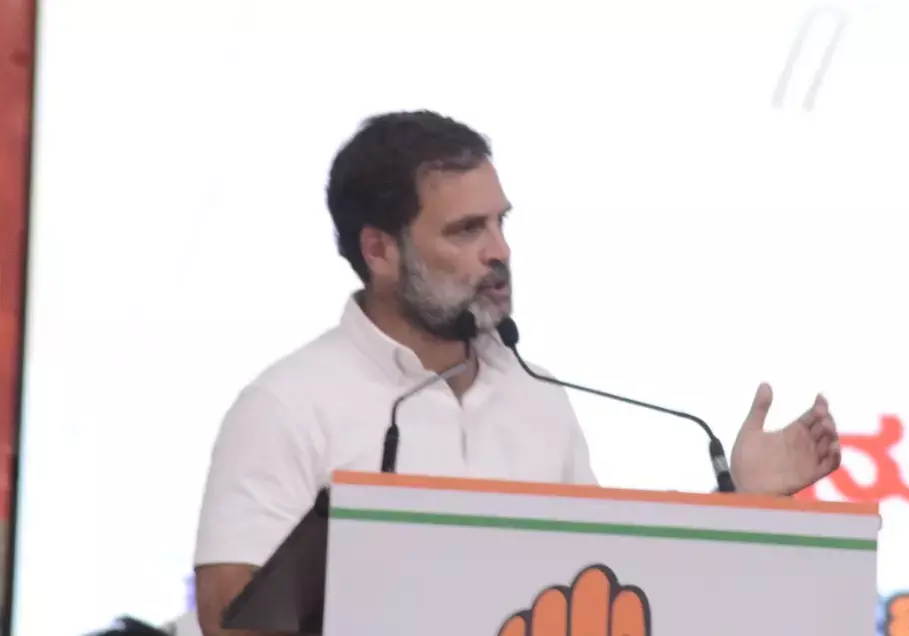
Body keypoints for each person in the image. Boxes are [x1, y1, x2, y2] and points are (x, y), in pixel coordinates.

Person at [193, 110, 842, 636]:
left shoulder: (538, 396)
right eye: (465, 230)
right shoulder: (287, 405)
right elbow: (230, 622)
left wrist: (746, 504)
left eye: (500, 223)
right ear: (380, 250)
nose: (499, 251)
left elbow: (606, 592)